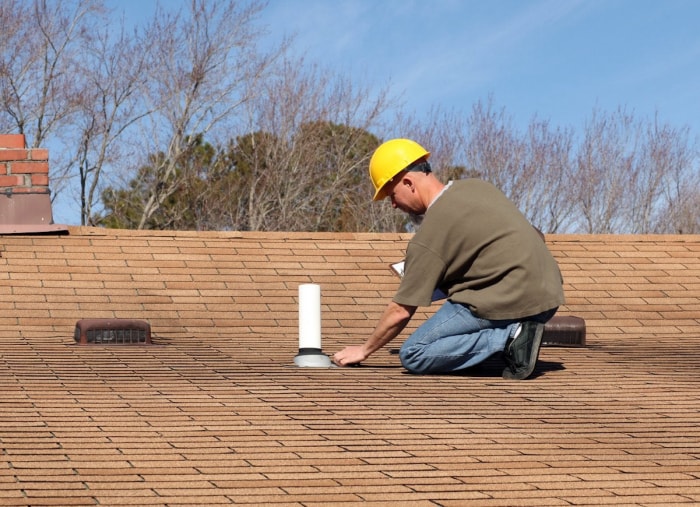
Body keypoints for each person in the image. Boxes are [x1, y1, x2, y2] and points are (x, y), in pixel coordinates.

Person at [332, 138, 565, 379]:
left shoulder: (430, 234)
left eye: (392, 195)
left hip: (507, 304)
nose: (392, 205)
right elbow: (535, 235)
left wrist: (364, 349)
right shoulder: (479, 187)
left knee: (414, 353)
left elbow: (400, 311)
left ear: (408, 182)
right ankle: (511, 337)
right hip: (548, 299)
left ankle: (511, 337)